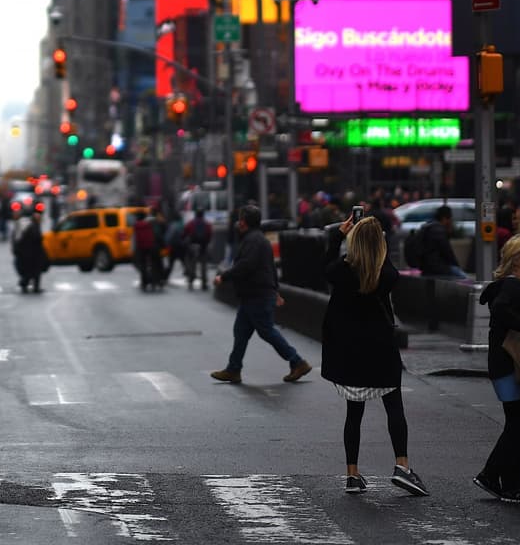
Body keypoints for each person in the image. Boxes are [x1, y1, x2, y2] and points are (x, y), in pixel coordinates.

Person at [322, 215, 429, 497]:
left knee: (353, 414)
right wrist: (378, 241)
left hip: (350, 353)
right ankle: (402, 466)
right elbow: (387, 266)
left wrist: (338, 235)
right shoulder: (387, 276)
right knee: (394, 407)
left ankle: (352, 474)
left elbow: (325, 266)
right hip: (381, 350)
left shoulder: (342, 272)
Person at [474, 234, 520, 503]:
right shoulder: (513, 286)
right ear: (515, 259)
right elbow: (502, 310)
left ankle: (511, 484)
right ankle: (490, 474)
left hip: (505, 363)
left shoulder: (511, 286)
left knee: (516, 423)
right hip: (512, 364)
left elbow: (506, 316)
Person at [211, 205, 312, 384]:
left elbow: (246, 265)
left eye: (240, 219)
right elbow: (270, 268)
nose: (238, 223)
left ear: (244, 222)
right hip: (252, 295)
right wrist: (275, 290)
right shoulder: (257, 239)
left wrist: (224, 277)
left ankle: (297, 362)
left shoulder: (254, 241)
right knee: (241, 332)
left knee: (267, 331)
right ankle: (233, 369)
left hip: (257, 295)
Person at [418, 206, 465, 278]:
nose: (451, 221)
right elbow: (448, 253)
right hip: (437, 268)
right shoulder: (438, 231)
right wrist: (457, 266)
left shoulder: (428, 227)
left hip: (425, 267)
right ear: (445, 219)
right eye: (450, 219)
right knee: (462, 277)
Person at [13, 211, 48, 294]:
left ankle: (30, 285)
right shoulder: (33, 227)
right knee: (34, 271)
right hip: (33, 254)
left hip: (30, 254)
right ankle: (28, 285)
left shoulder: (31, 227)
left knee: (32, 271)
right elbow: (37, 239)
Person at [183, 209, 213, 290]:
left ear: (195, 215)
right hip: (203, 246)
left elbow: (185, 232)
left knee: (192, 264)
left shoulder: (191, 223)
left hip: (193, 246)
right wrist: (206, 243)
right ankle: (204, 283)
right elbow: (210, 234)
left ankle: (191, 281)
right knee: (203, 266)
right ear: (203, 215)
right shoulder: (207, 224)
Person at [133, 211, 160, 291]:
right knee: (152, 264)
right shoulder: (148, 224)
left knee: (143, 265)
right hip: (151, 246)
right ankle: (154, 281)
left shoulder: (136, 226)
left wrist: (134, 250)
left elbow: (135, 238)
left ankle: (144, 282)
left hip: (141, 247)